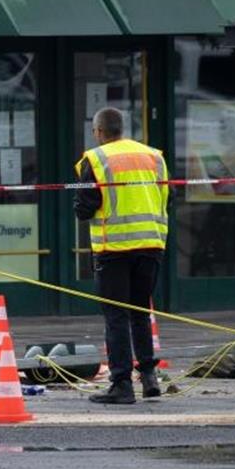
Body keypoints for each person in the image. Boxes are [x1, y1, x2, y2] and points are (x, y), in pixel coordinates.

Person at [74, 107, 170, 405]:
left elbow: (85, 207)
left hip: (113, 249)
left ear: (99, 131)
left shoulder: (97, 159)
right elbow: (169, 196)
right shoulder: (154, 156)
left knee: (116, 316)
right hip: (151, 244)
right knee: (141, 312)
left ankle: (122, 384)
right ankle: (150, 379)